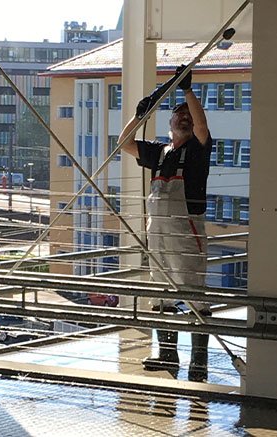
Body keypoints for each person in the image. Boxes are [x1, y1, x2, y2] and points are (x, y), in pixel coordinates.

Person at [118, 65, 212, 382]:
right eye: (178, 114)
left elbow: (201, 126)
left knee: (194, 294)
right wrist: (139, 115)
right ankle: (167, 356)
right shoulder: (158, 152)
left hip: (187, 234)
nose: (184, 117)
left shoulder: (198, 149)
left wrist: (187, 91)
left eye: (188, 114)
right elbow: (124, 142)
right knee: (161, 293)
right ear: (169, 122)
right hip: (157, 233)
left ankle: (199, 361)